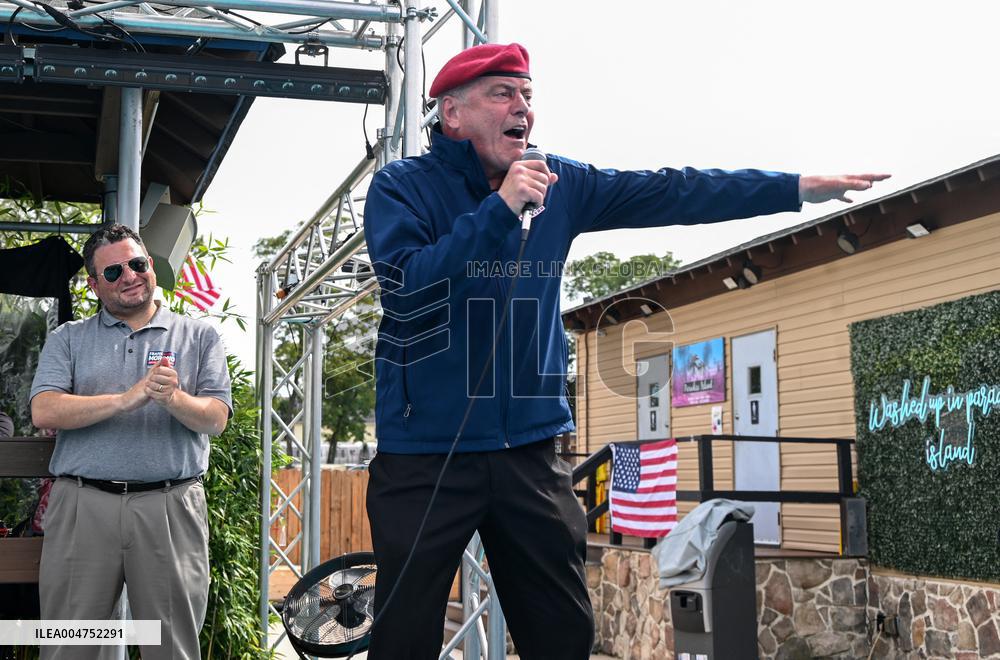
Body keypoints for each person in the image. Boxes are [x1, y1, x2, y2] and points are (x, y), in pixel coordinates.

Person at [362, 42, 889, 659]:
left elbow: (673, 191)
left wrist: (793, 187)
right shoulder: (402, 187)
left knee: (563, 634)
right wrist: (499, 211)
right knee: (403, 638)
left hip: (529, 453)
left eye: (528, 95)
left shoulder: (559, 183)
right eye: (503, 93)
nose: (523, 108)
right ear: (451, 113)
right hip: (425, 455)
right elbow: (407, 288)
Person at [29, 225, 232, 660]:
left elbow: (216, 419)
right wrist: (126, 400)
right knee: (72, 648)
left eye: (137, 264)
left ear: (151, 267)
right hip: (84, 508)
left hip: (169, 506)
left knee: (170, 648)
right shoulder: (68, 338)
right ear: (94, 283)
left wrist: (172, 398)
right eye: (114, 270)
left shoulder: (199, 336)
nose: (130, 276)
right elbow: (44, 410)